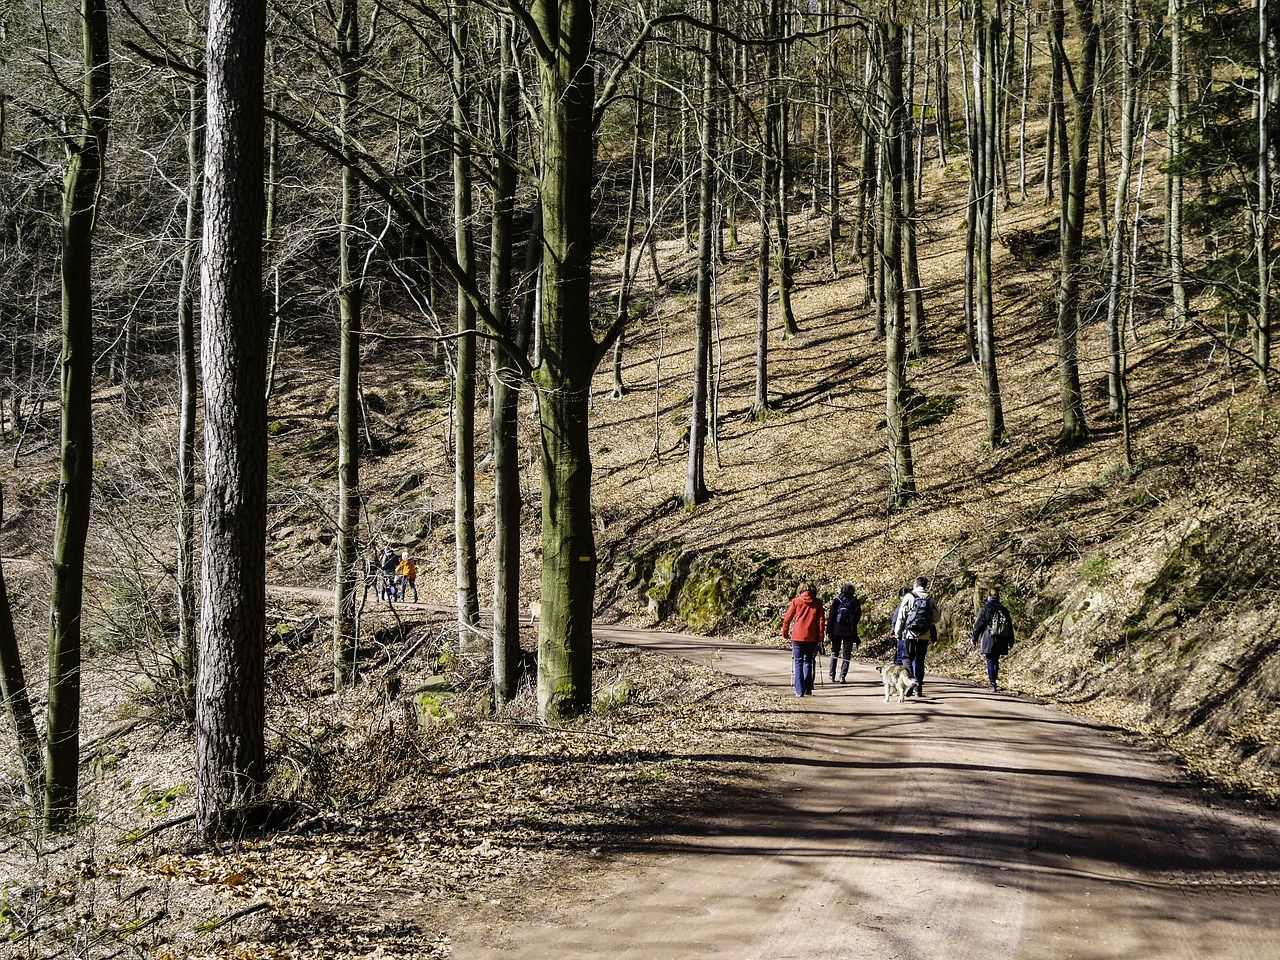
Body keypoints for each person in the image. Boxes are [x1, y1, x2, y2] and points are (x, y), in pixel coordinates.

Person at [894, 576, 940, 696]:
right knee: (920, 660)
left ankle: (911, 681)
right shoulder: (930, 598)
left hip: (910, 634)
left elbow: (901, 616)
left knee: (906, 658)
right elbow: (937, 618)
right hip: (924, 634)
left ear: (915, 584)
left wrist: (898, 633)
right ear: (925, 585)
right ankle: (918, 688)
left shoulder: (909, 596)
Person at [781, 583, 825, 697]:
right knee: (808, 662)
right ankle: (807, 688)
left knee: (798, 662)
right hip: (812, 636)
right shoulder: (818, 603)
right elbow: (821, 622)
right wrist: (820, 638)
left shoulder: (796, 601)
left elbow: (787, 619)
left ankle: (799, 690)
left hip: (797, 636)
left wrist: (785, 633)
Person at [971, 585, 1015, 692]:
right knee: (996, 660)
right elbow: (1009, 626)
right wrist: (1011, 640)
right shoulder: (1004, 609)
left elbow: (979, 625)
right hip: (1002, 638)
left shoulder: (986, 609)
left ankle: (992, 683)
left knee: (990, 660)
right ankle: (994, 681)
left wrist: (974, 638)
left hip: (989, 637)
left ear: (989, 596)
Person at [826, 584, 861, 683]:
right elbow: (857, 617)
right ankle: (842, 676)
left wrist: (828, 630)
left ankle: (831, 675)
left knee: (834, 652)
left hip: (836, 630)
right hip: (849, 631)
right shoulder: (855, 601)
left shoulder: (837, 600)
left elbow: (831, 616)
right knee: (846, 655)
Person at [890, 585, 912, 666]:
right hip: (914, 634)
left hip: (903, 634)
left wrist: (895, 632)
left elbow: (896, 620)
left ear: (900, 596)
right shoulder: (914, 603)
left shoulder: (901, 606)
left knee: (900, 656)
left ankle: (899, 670)